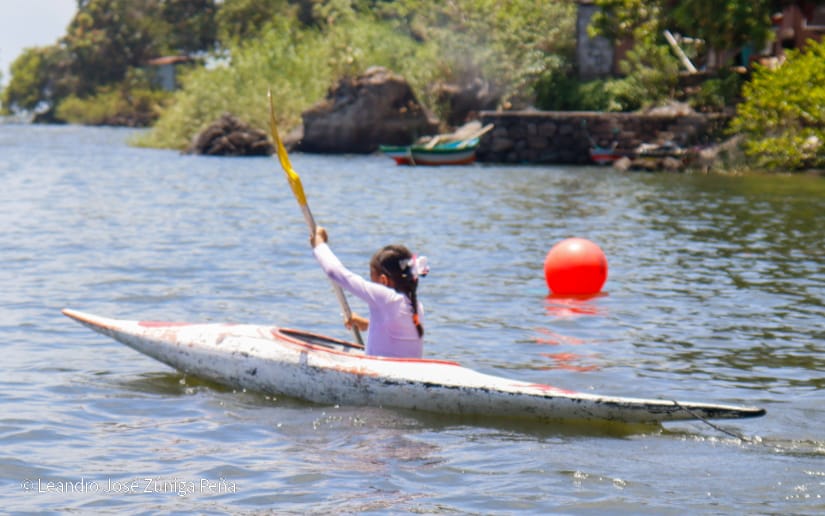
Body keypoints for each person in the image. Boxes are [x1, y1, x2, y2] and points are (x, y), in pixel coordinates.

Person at [310, 226, 428, 358]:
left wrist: (319, 244)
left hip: (382, 369)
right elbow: (396, 334)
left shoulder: (385, 297)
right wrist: (366, 324)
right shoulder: (416, 305)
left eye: (372, 278)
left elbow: (335, 273)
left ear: (383, 280)